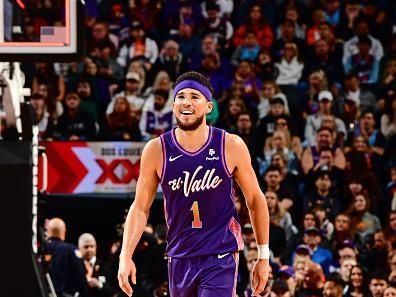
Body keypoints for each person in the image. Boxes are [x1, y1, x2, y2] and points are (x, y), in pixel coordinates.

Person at [118, 71, 270, 297]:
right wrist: (125, 255)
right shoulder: (156, 149)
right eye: (180, 96)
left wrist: (263, 255)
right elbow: (140, 207)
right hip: (179, 257)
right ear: (173, 104)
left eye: (195, 96)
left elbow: (256, 199)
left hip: (220, 255)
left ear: (209, 107)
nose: (186, 102)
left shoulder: (230, 145)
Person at [44, 218, 87, 297]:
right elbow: (81, 276)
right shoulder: (70, 249)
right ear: (64, 231)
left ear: (48, 232)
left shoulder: (41, 250)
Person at [78, 233, 119, 297]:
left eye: (92, 246)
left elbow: (114, 290)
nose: (89, 249)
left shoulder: (106, 266)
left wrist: (99, 284)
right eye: (86, 247)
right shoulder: (75, 266)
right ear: (79, 248)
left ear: (96, 247)